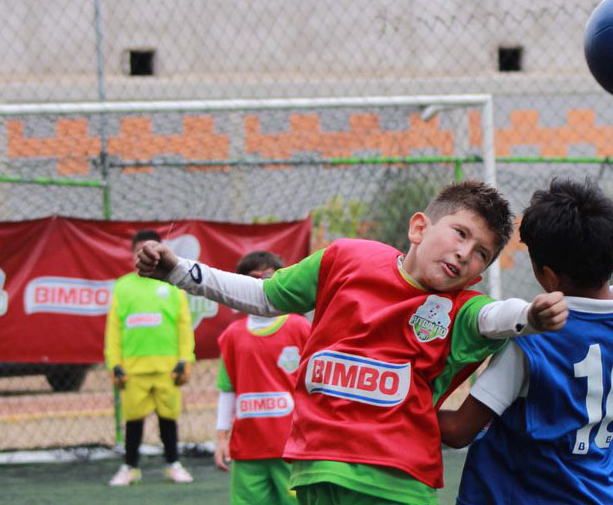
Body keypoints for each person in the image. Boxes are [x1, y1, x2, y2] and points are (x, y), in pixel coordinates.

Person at [134, 180, 568, 505]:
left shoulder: (463, 310)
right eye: (460, 233)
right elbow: (264, 297)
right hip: (316, 468)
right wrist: (177, 270)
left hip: (397, 480)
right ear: (419, 227)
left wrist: (529, 315)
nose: (464, 253)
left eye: (481, 253)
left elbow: (497, 318)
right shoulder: (345, 259)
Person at [441, 178, 613, 505]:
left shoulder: (534, 344)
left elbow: (460, 431)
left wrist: (389, 406)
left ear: (548, 275)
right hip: (597, 494)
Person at [214, 251, 311, 505]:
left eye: (267, 278)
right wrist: (221, 437)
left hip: (291, 448)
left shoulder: (299, 327)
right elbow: (227, 389)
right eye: (251, 280)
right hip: (247, 448)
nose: (258, 286)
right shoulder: (232, 336)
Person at [105, 229, 196, 486]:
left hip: (168, 368)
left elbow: (183, 325)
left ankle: (173, 464)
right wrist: (114, 363)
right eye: (140, 250)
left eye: (152, 249)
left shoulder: (172, 284)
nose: (146, 254)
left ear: (161, 251)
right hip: (133, 368)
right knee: (133, 421)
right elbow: (113, 329)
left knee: (169, 419)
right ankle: (130, 467)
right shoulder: (122, 286)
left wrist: (185, 358)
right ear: (133, 253)